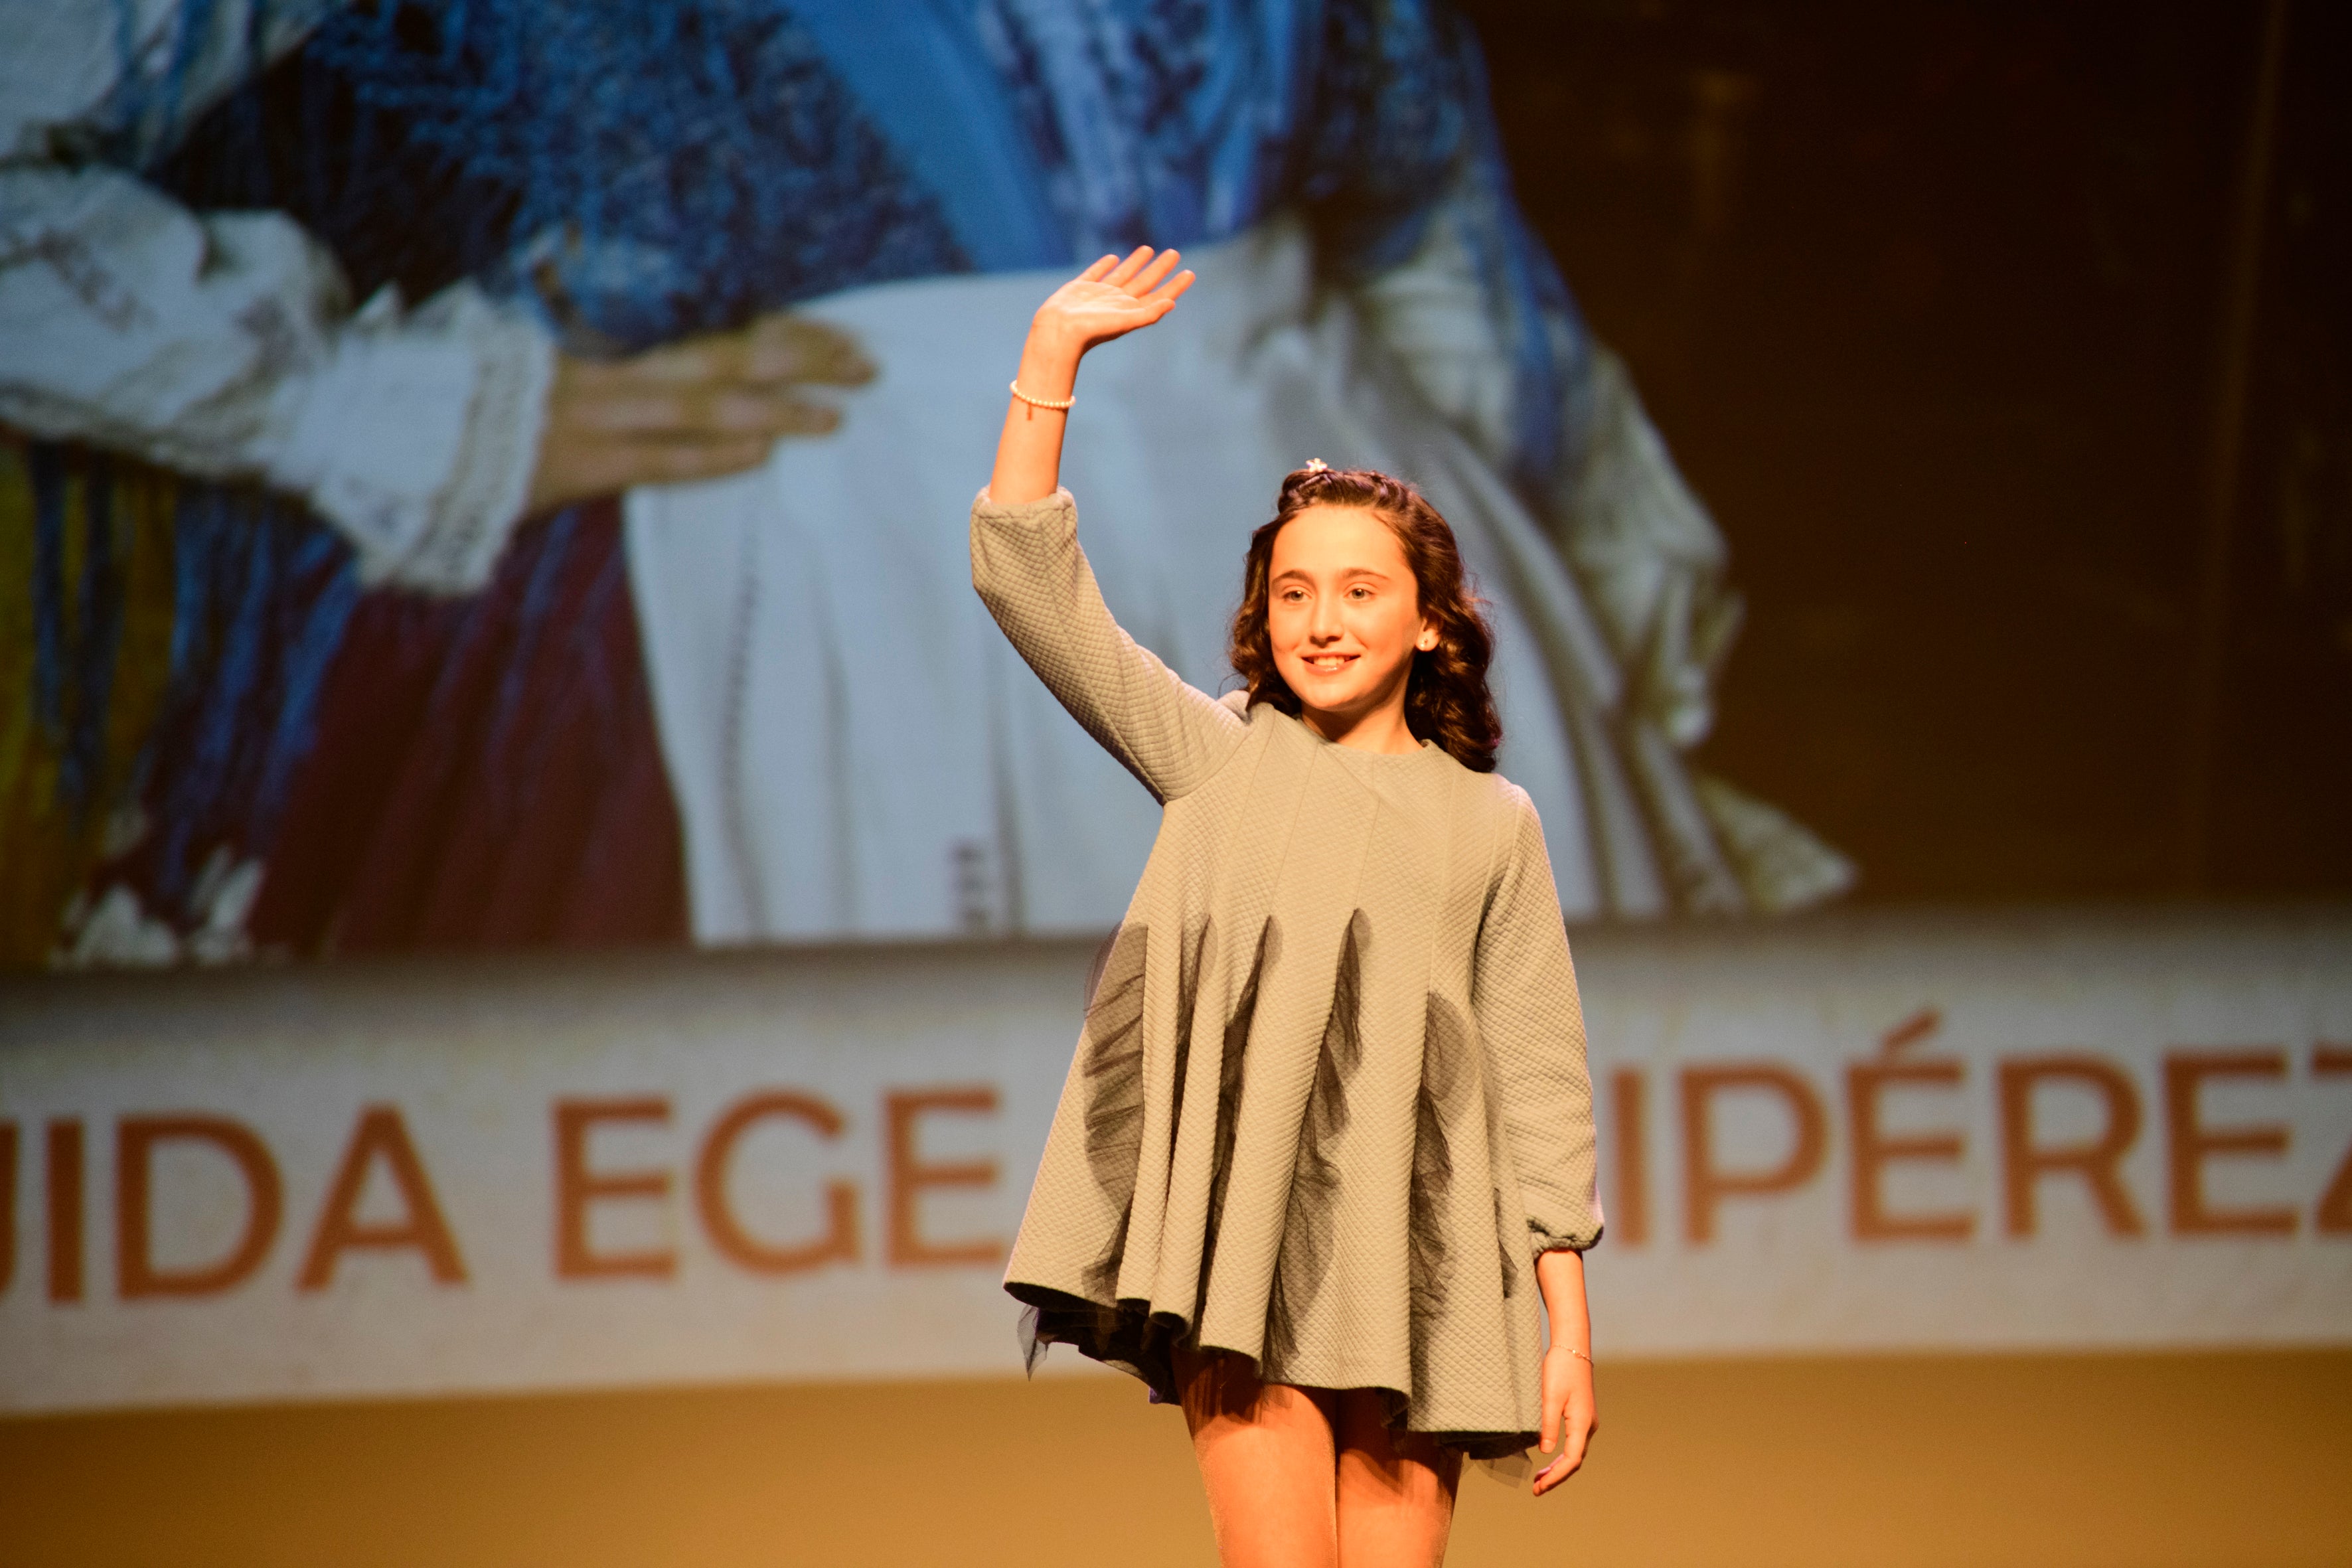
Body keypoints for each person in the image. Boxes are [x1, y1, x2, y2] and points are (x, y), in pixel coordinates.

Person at [976, 246, 1599, 1567]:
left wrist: (1566, 1326)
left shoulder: (1494, 823)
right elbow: (1033, 588)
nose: (1320, 619)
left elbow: (1539, 1080)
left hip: (1424, 1265)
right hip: (1245, 1250)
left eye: (1360, 588)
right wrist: (1048, 361)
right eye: (1292, 590)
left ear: (1430, 621)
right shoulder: (1216, 753)